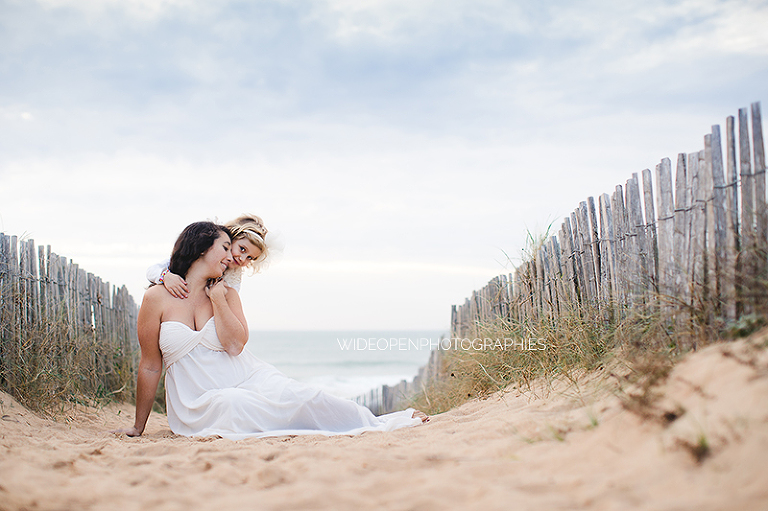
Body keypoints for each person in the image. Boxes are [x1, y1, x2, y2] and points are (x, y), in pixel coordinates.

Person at [120, 221, 427, 439]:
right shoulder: (157, 297)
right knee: (233, 403)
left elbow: (235, 346)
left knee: (305, 396)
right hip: (199, 401)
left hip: (248, 376)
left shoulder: (227, 293)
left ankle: (379, 422)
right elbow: (150, 365)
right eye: (226, 248)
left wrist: (218, 300)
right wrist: (138, 426)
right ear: (201, 248)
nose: (233, 258)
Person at [146, 214, 273, 298]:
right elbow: (152, 270)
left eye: (250, 258)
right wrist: (166, 277)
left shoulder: (234, 275)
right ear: (232, 238)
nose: (242, 259)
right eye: (242, 249)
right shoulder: (201, 254)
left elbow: (231, 299)